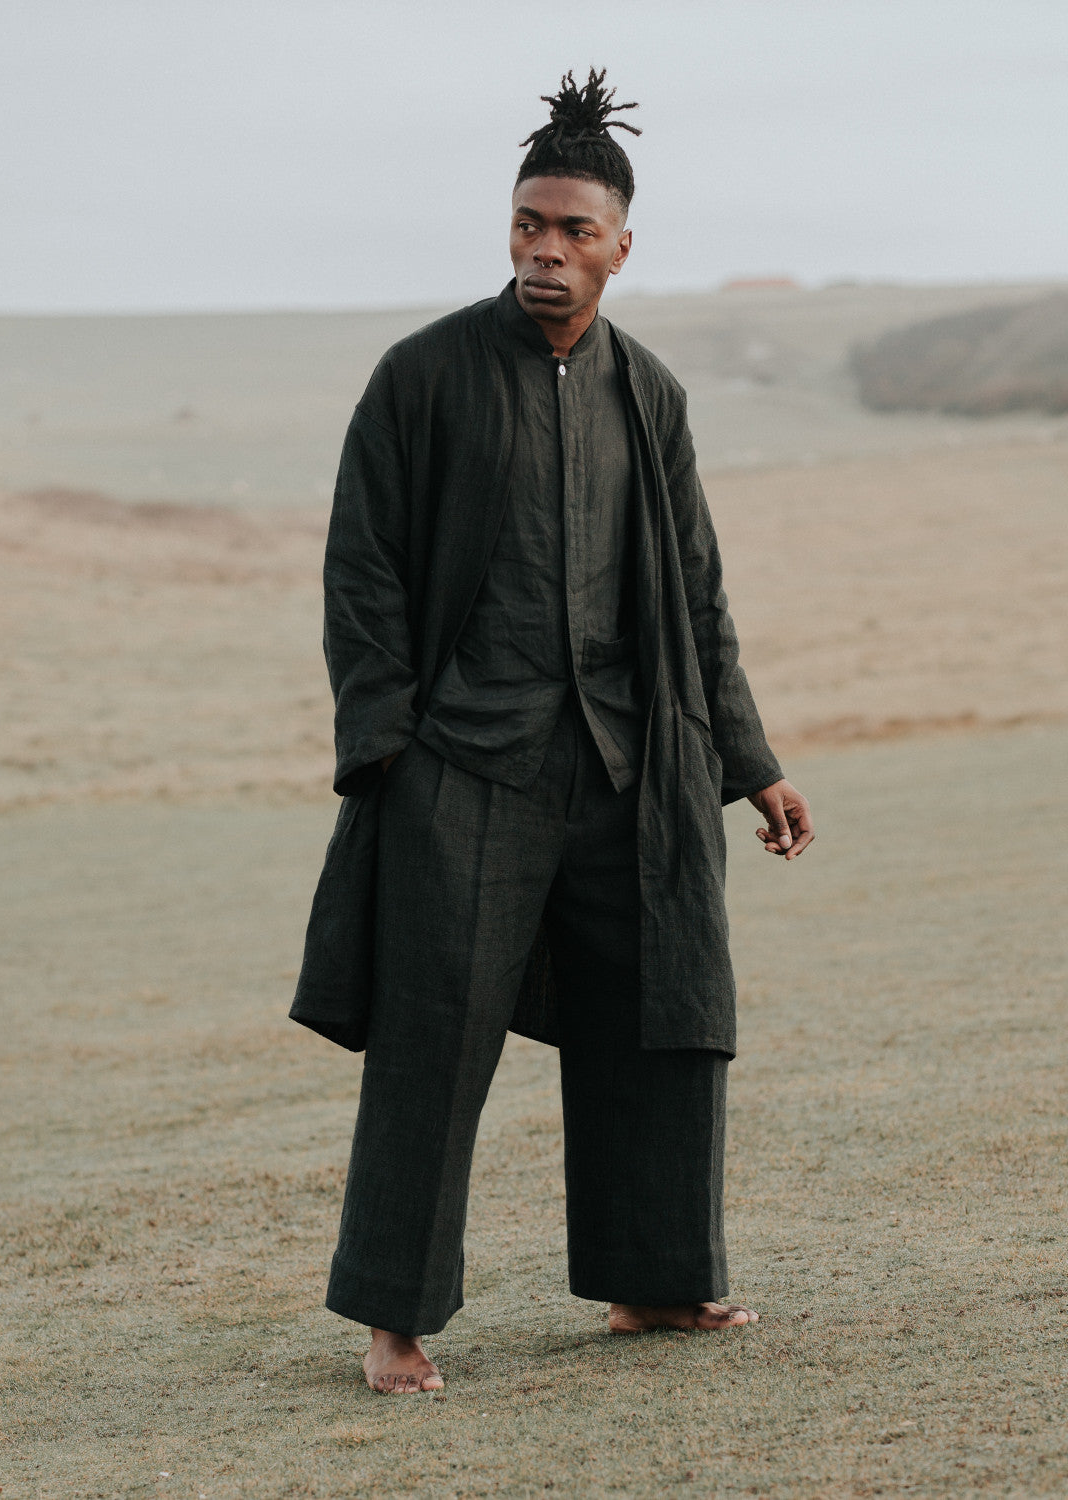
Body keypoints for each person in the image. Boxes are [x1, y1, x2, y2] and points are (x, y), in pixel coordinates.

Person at [291, 67, 815, 1394]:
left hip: (630, 767)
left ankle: (656, 1284)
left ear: (621, 247)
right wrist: (389, 751)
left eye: (575, 230)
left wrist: (748, 761)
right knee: (433, 1039)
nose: (545, 250)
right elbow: (362, 574)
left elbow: (695, 592)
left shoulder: (652, 395)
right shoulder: (423, 377)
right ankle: (394, 1321)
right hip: (466, 768)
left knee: (661, 1018)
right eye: (528, 224)